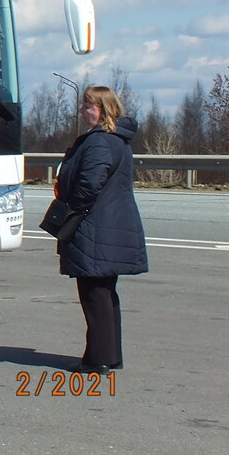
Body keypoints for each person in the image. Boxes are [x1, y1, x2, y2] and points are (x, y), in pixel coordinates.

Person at [55, 85, 148, 374]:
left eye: (88, 106)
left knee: (95, 294)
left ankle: (99, 359)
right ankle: (108, 355)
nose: (83, 111)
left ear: (104, 108)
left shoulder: (99, 142)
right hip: (112, 224)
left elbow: (89, 184)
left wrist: (72, 208)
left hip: (95, 226)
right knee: (105, 293)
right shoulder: (118, 139)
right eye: (83, 105)